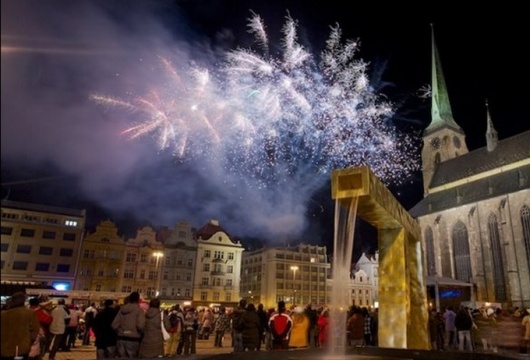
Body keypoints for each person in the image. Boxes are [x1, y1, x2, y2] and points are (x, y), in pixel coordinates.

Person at [0, 292, 41, 360]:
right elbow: (35, 330)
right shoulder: (30, 313)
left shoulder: (3, 314)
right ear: (23, 301)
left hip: (4, 349)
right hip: (21, 348)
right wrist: (29, 342)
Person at [111, 291, 146, 358]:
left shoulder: (122, 309)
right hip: (133, 339)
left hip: (121, 338)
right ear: (138, 300)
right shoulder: (139, 310)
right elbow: (140, 326)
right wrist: (141, 333)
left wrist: (120, 331)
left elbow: (114, 325)